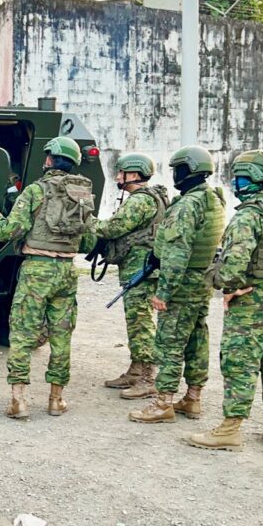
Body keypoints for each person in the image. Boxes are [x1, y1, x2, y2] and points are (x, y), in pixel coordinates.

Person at [188, 150, 263, 451]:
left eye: (241, 177)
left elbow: (231, 269)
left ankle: (230, 429)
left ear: (254, 178)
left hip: (252, 305)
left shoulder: (250, 214)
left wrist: (228, 285)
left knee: (239, 364)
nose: (236, 183)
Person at [0, 136, 95, 419]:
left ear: (49, 160)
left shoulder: (37, 190)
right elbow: (89, 241)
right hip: (68, 271)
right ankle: (56, 399)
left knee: (22, 334)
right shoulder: (83, 194)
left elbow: (10, 231)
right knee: (61, 336)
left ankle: (18, 401)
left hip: (37, 269)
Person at [129, 145, 225, 424]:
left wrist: (164, 292)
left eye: (178, 169)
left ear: (189, 170)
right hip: (201, 280)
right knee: (196, 338)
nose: (174, 174)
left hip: (182, 282)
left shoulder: (187, 205)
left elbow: (176, 252)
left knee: (169, 343)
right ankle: (193, 397)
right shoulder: (213, 198)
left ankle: (163, 403)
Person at [95, 153, 169, 399]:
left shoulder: (140, 201)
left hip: (141, 271)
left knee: (141, 324)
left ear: (134, 174)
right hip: (140, 270)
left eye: (121, 173)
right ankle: (136, 370)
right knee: (136, 322)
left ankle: (149, 377)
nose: (117, 177)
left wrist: (89, 224)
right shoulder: (152, 198)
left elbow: (115, 227)